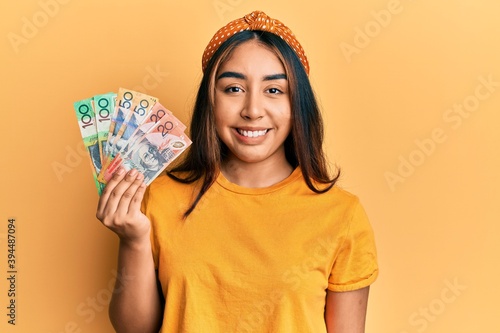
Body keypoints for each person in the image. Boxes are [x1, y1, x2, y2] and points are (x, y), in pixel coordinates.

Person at [96, 10, 378, 333]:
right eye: (233, 89)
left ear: (297, 103)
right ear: (210, 101)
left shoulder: (342, 215)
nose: (252, 110)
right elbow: (135, 330)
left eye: (274, 90)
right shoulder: (159, 199)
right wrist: (133, 240)